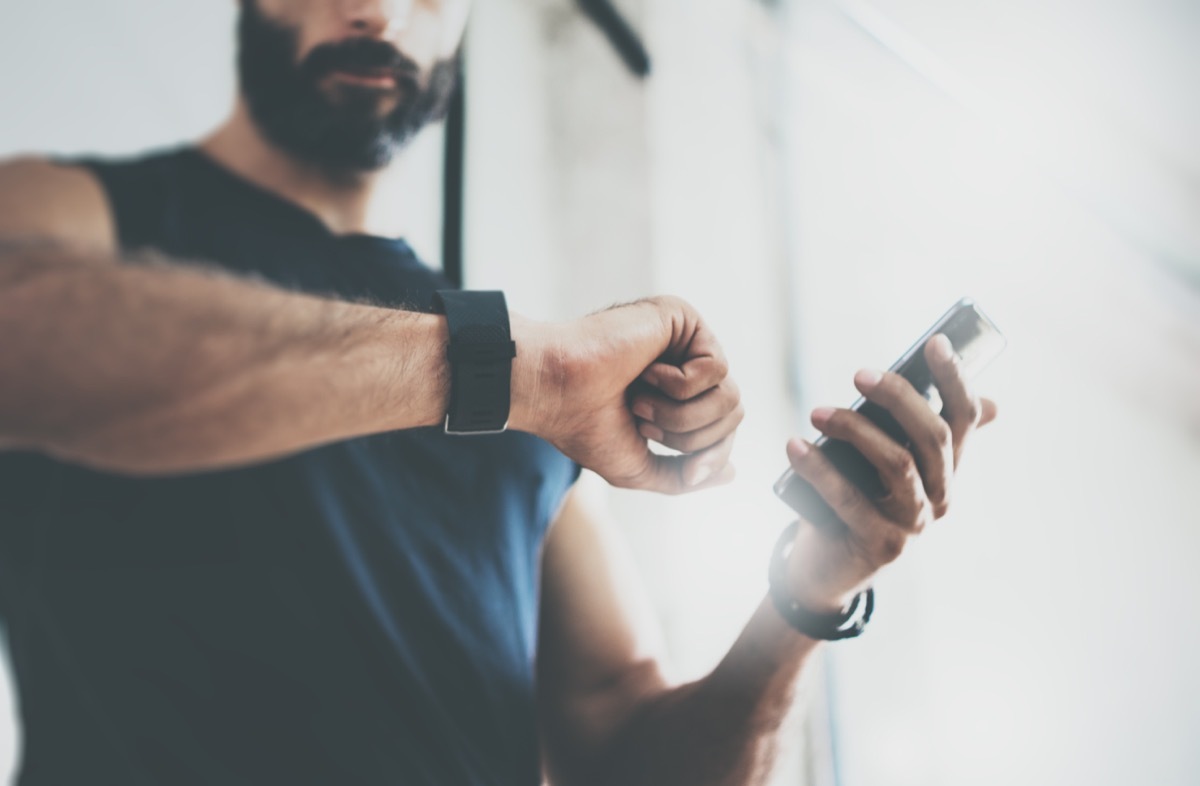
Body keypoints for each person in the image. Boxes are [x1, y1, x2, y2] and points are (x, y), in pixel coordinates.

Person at [0, 1, 998, 784]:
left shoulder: (519, 375)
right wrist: (533, 375)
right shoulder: (77, 214)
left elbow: (621, 751)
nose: (381, 12)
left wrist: (809, 593)